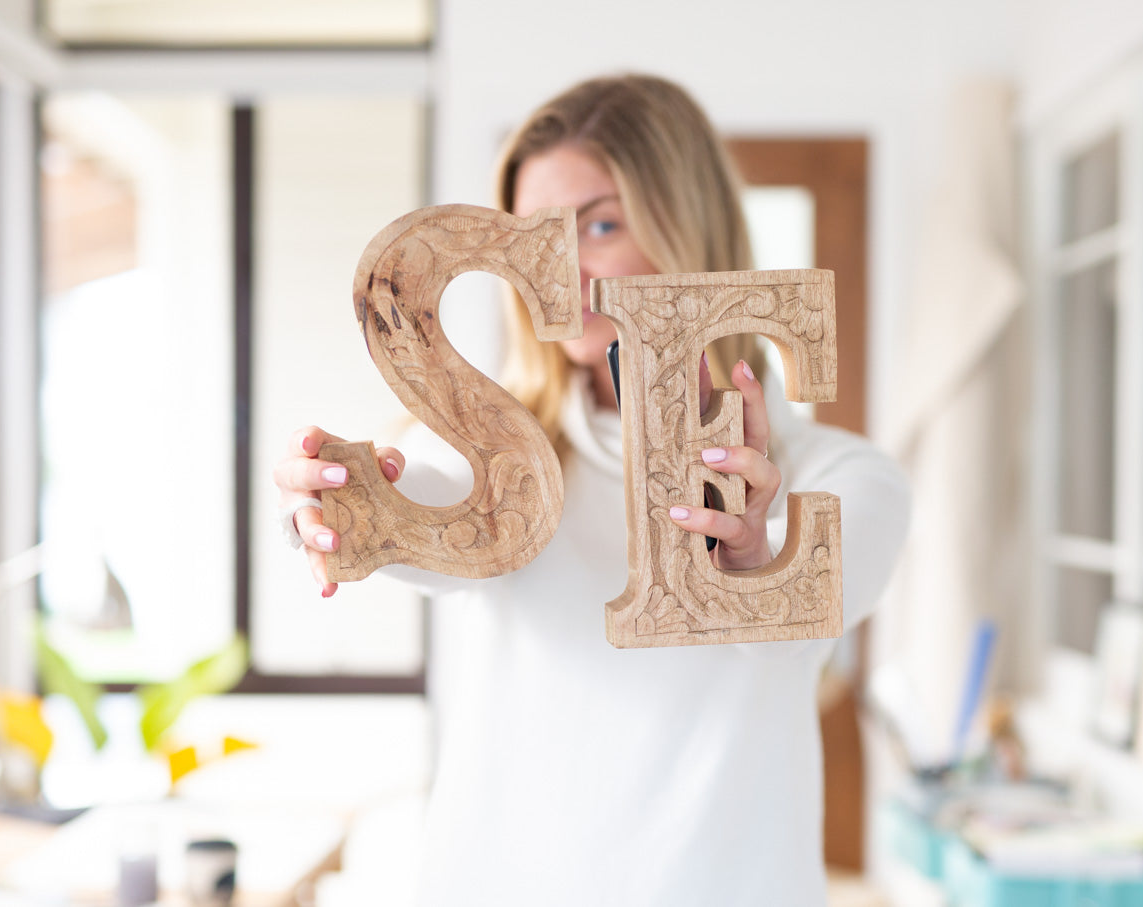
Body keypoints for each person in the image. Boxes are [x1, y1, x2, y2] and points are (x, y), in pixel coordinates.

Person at [272, 74, 910, 906]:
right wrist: (327, 502)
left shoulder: (846, 478)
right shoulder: (496, 459)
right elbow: (413, 498)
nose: (563, 271)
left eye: (601, 224)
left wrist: (748, 550)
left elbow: (805, 614)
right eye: (535, 239)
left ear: (690, 228)